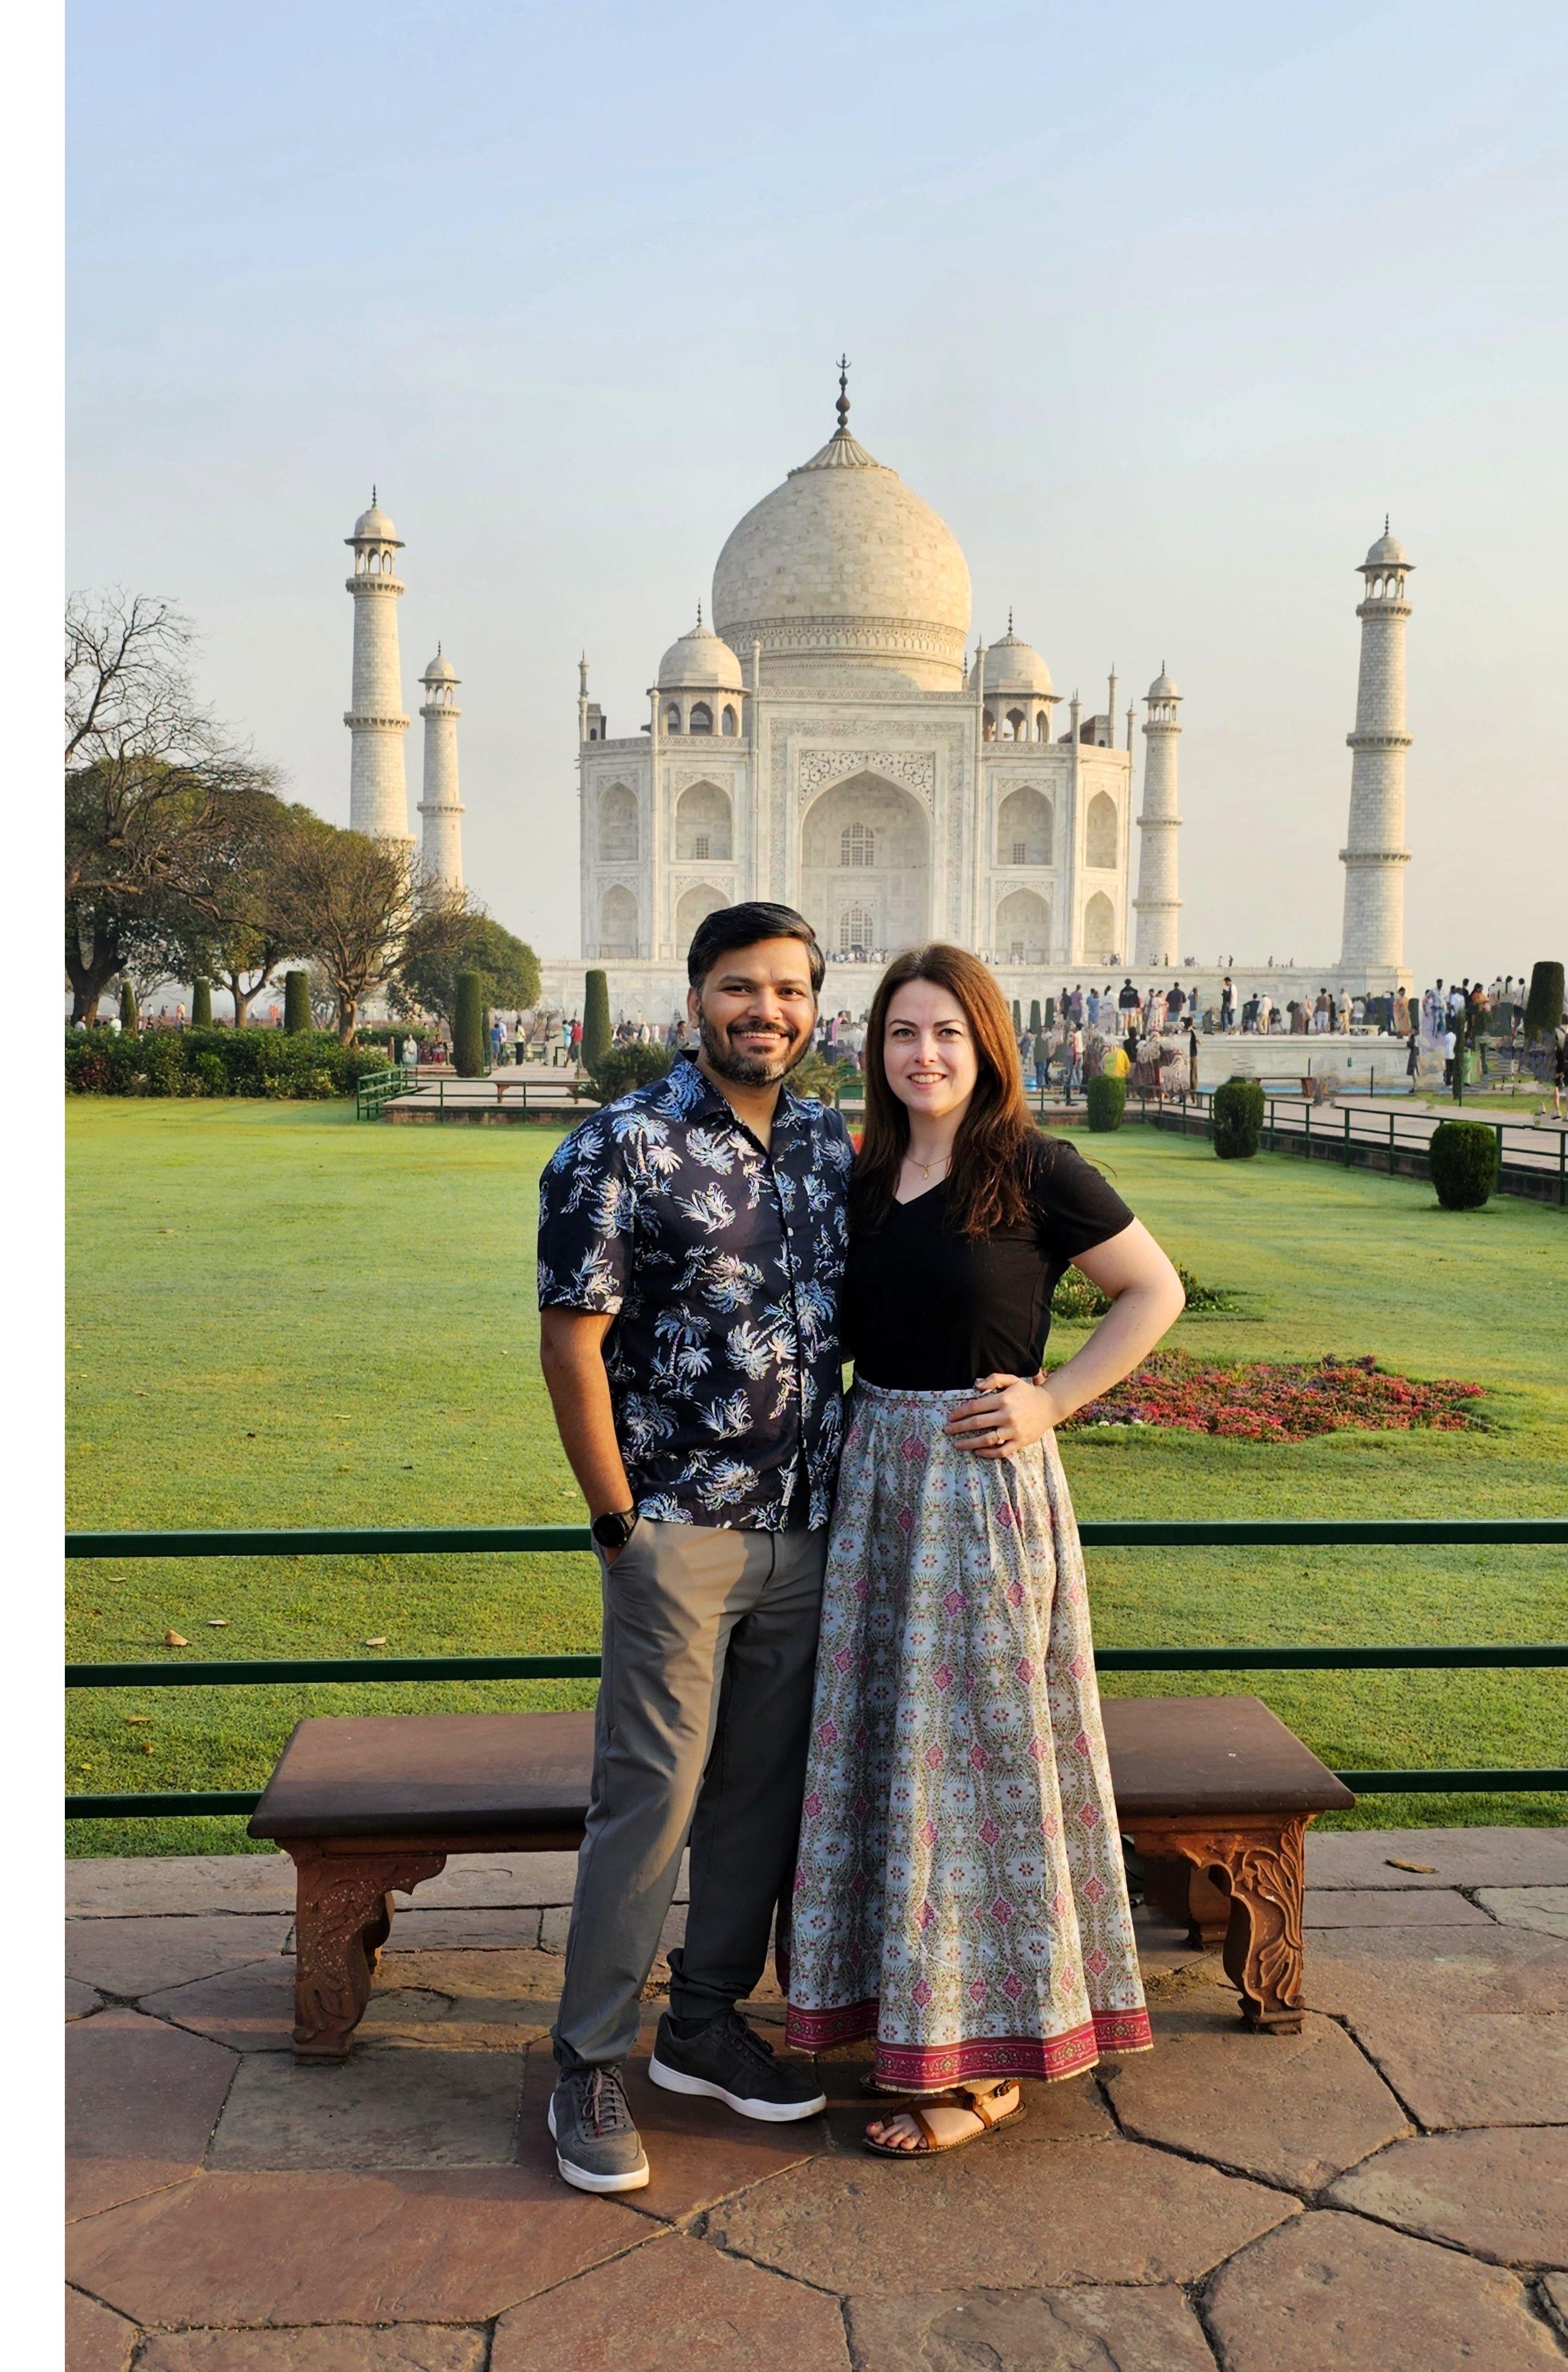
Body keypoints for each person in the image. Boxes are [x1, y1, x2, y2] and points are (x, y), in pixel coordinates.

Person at [785, 944, 1183, 2153]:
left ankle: (991, 2060)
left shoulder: (1035, 1169)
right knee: (886, 1759)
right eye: (904, 1033)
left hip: (979, 1489)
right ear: (878, 1049)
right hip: (877, 1494)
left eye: (948, 1033)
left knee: (980, 1760)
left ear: (987, 1044)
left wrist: (1054, 1398)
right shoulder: (863, 1182)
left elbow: (1150, 1290)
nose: (925, 1054)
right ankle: (906, 2018)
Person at [532, 900, 852, 2195]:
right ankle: (589, 2059)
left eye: (785, 990)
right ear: (695, 998)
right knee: (651, 1798)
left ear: (813, 1009)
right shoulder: (619, 1146)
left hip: (806, 1527)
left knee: (759, 1797)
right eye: (739, 987)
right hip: (677, 1528)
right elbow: (572, 1346)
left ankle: (706, 2021)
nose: (762, 1010)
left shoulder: (832, 1146)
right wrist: (621, 1526)